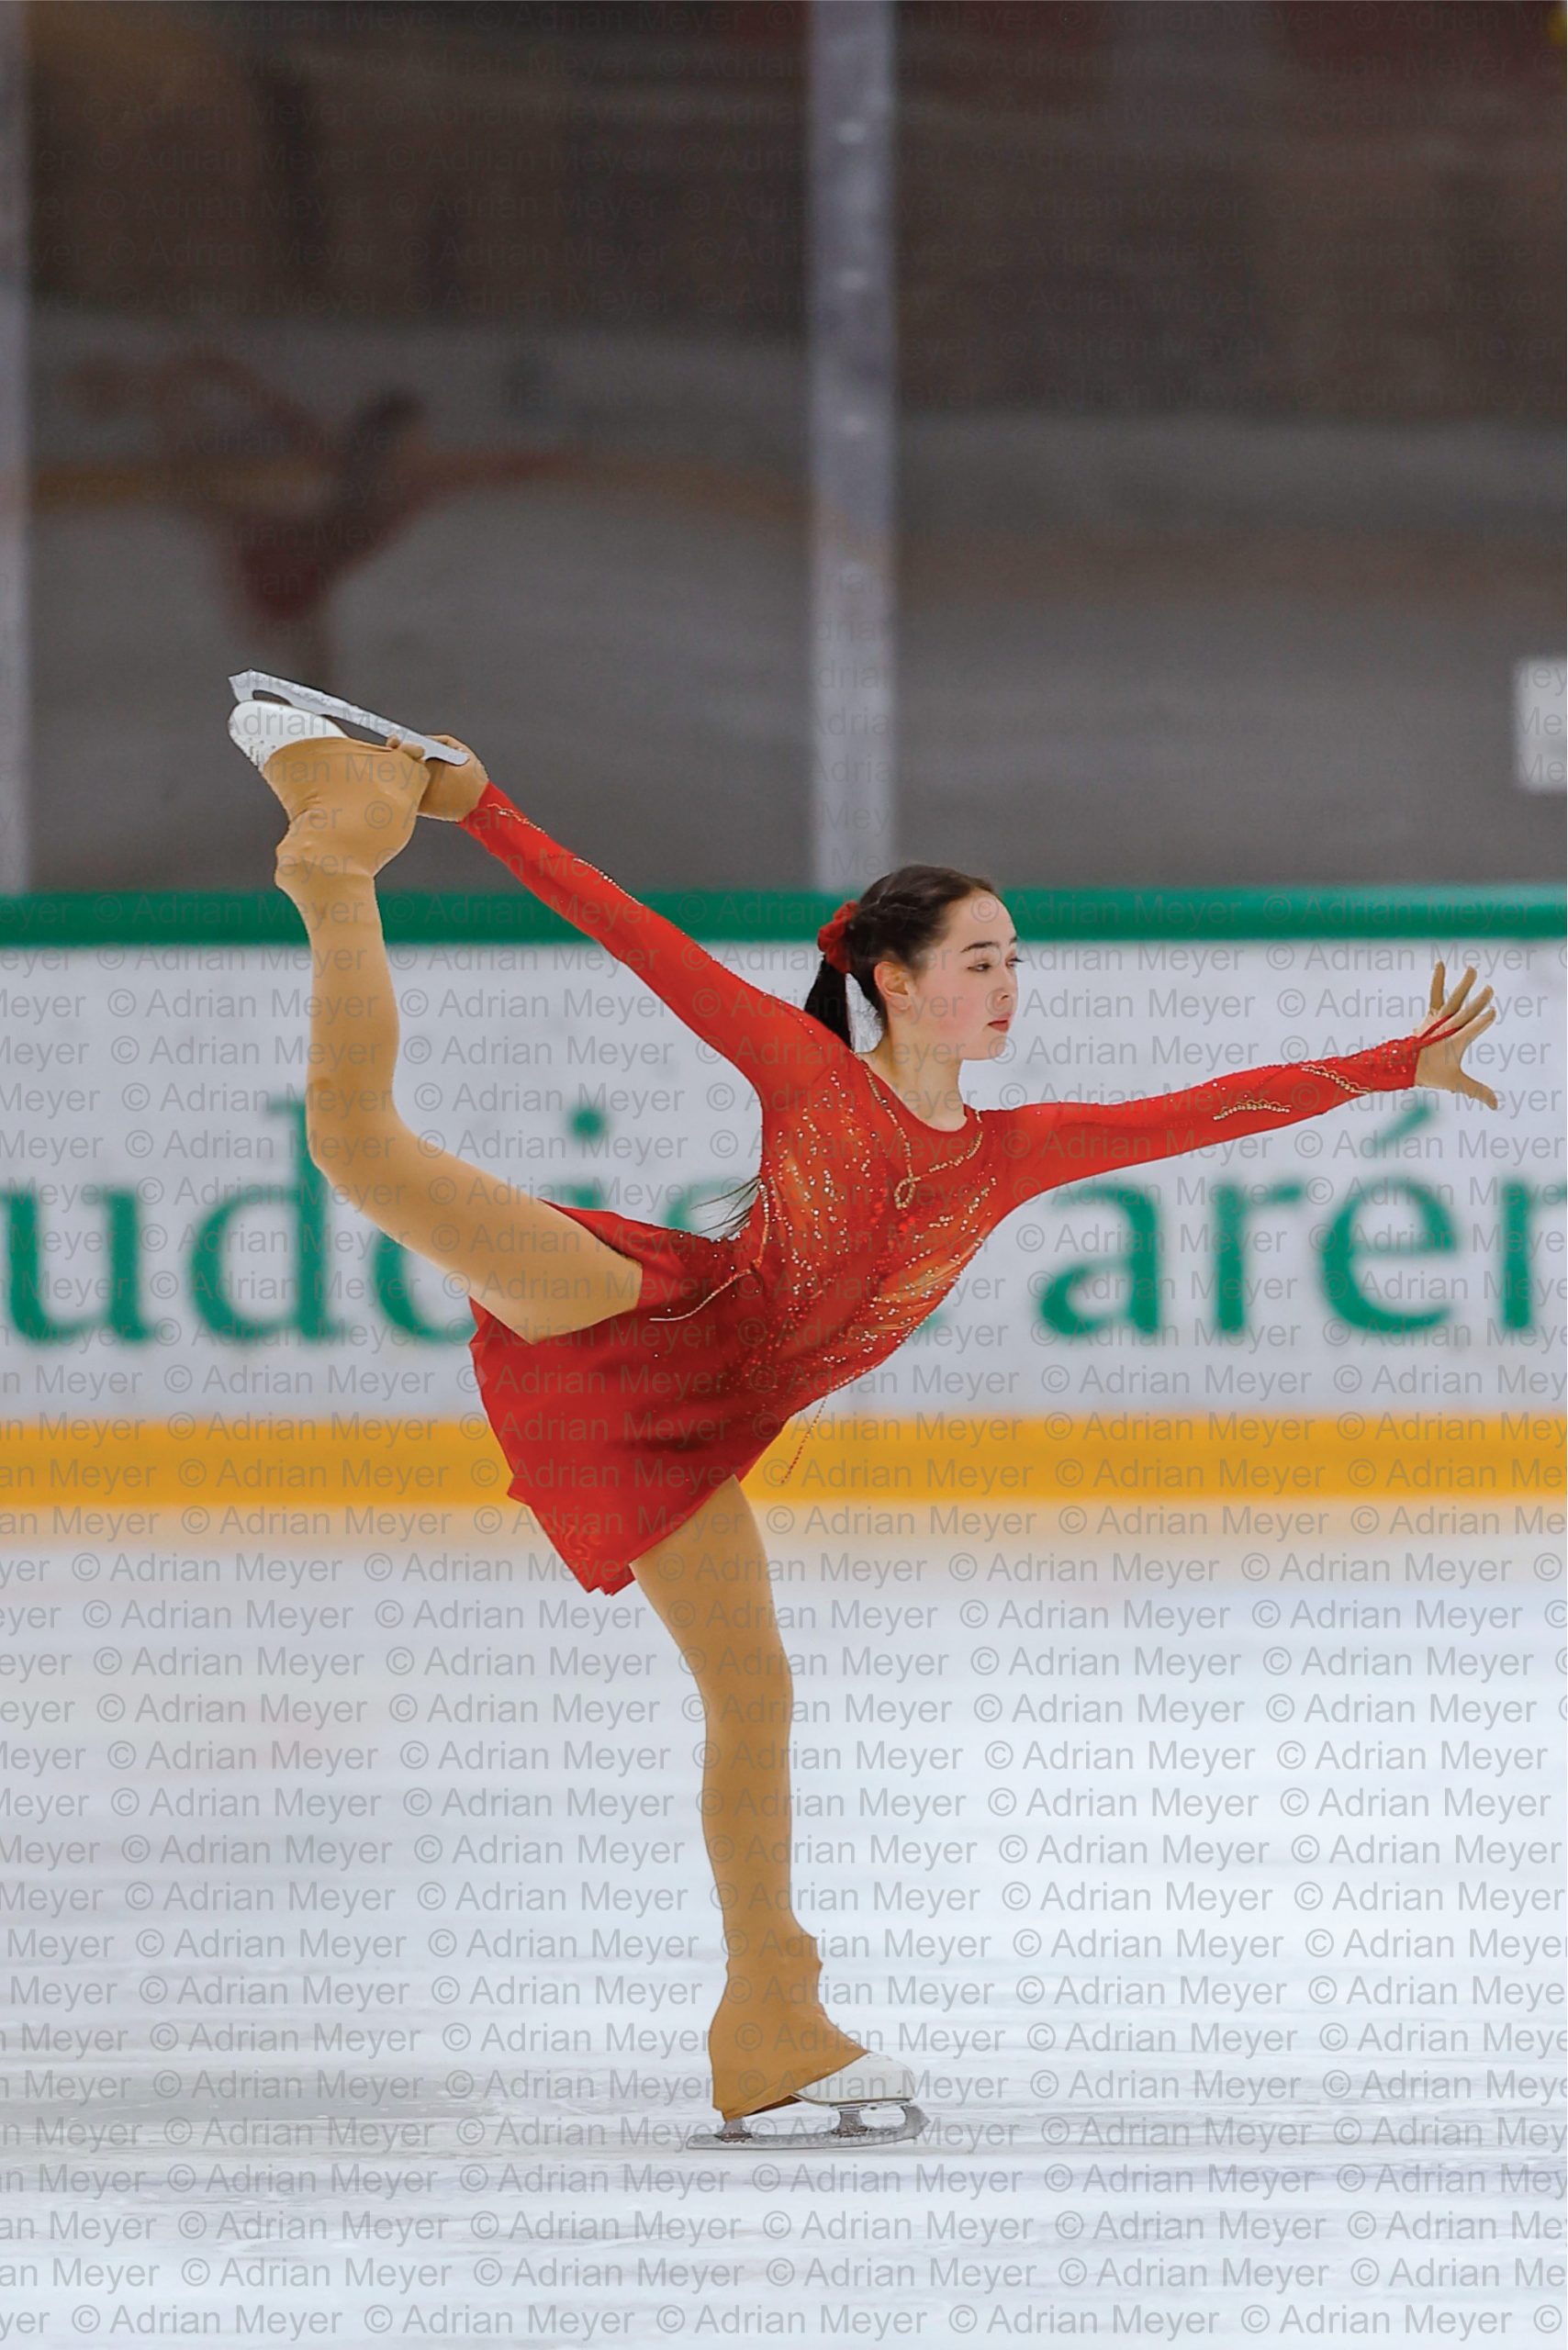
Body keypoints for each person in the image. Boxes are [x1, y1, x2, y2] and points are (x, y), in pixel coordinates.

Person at [249, 713, 1497, 2143]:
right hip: (639, 1315)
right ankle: (332, 867)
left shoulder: (1016, 1152)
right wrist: (485, 810)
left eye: (1016, 960)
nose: (1008, 984)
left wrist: (1398, 1066)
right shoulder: (808, 1076)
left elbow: (1207, 1111)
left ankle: (769, 2020)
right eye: (980, 960)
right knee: (362, 1147)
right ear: (896, 982)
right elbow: (635, 936)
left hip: (703, 1429)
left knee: (754, 1699)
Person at [67, 350, 577, 690]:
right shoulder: (358, 469)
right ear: (384, 444)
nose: (420, 453)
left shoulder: (407, 481)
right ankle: (156, 391)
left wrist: (544, 463)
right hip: (282, 560)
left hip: (294, 568)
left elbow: (480, 470)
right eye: (409, 443)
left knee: (317, 677)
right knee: (208, 500)